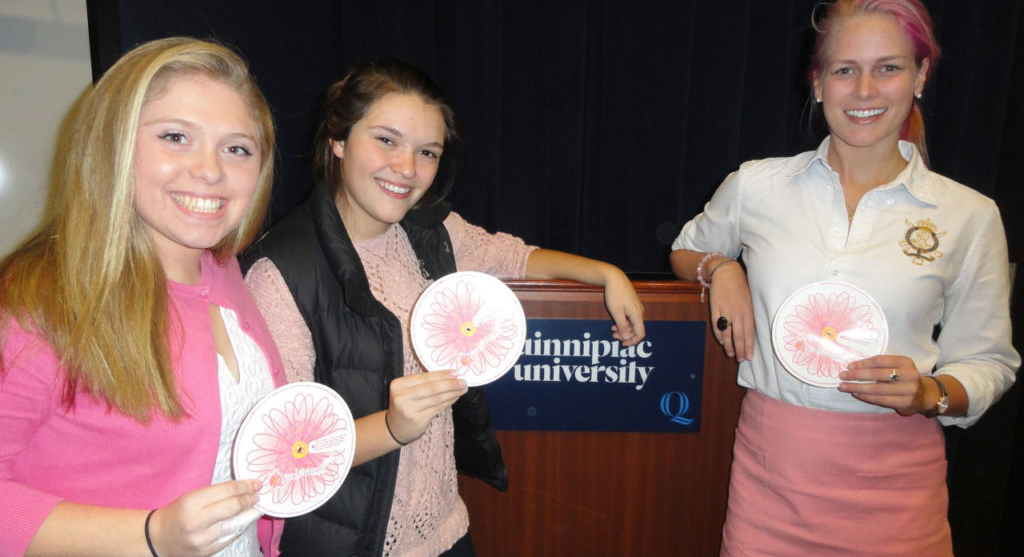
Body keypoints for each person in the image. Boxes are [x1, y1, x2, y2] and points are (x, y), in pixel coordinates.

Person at [243, 58, 646, 556]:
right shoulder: (280, 272)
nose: (408, 169)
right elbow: (283, 456)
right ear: (338, 141)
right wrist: (391, 426)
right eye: (386, 140)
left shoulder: (430, 230)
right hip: (351, 543)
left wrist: (607, 273)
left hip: (446, 531)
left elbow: (513, 256)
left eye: (427, 151)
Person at [670, 0, 1019, 556]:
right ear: (817, 82)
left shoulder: (969, 215)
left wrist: (929, 392)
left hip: (899, 486)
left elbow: (989, 363)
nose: (863, 91)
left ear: (920, 76)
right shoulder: (758, 186)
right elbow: (685, 251)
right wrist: (721, 269)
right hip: (770, 480)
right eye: (844, 70)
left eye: (887, 68)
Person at [0, 37, 287, 557]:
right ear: (113, 145)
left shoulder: (222, 269)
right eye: (176, 136)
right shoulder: (38, 305)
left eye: (237, 148)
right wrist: (151, 534)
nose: (210, 170)